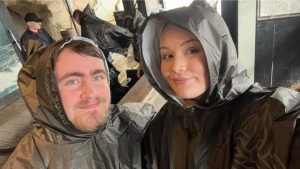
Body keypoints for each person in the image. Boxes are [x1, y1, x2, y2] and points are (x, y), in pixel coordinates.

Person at [139, 1, 300, 169]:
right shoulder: (166, 120)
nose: (176, 67)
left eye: (192, 50)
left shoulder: (264, 114)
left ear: (218, 52)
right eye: (167, 55)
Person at [2, 36, 155, 168]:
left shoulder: (133, 122)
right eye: (73, 81)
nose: (91, 93)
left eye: (97, 77)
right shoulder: (28, 162)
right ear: (48, 94)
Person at [73, 5, 134, 103]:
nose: (78, 23)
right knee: (109, 72)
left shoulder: (86, 25)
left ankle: (117, 92)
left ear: (77, 19)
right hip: (103, 53)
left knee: (107, 75)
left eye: (76, 22)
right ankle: (117, 87)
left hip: (101, 56)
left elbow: (89, 47)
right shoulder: (91, 19)